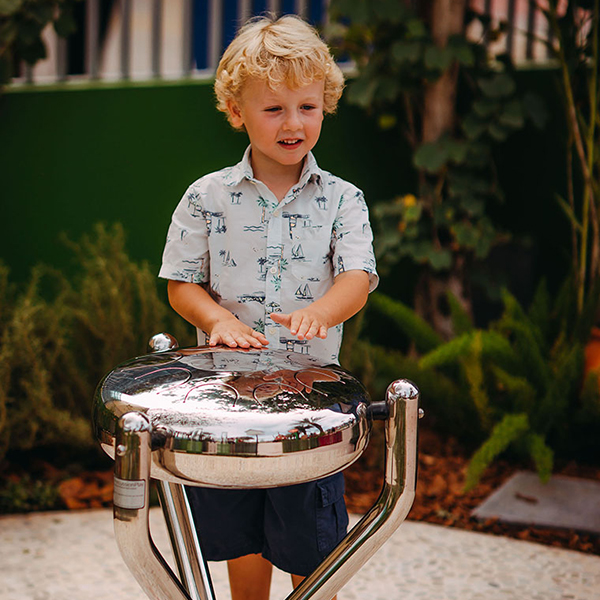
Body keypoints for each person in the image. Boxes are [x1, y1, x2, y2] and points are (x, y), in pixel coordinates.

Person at [158, 13, 378, 600]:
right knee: (241, 537)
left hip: (309, 410)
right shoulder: (206, 197)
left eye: (307, 106)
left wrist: (322, 312)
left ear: (325, 104)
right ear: (238, 112)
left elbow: (357, 277)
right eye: (273, 108)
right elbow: (180, 285)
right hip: (229, 408)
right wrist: (218, 320)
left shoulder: (342, 200)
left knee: (313, 543)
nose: (293, 123)